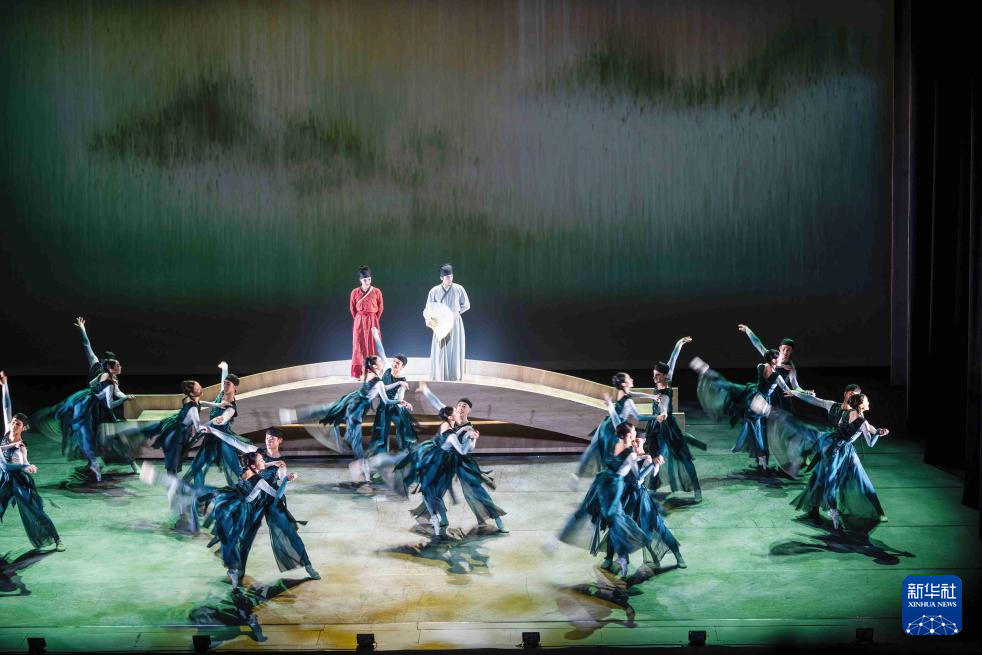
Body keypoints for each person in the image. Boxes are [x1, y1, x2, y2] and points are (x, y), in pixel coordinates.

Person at [200, 451, 319, 588]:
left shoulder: (274, 465)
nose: (268, 442)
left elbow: (271, 475)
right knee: (245, 540)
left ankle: (308, 565)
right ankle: (238, 571)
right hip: (253, 506)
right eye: (261, 459)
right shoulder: (257, 463)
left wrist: (282, 473)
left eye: (272, 440)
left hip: (269, 504)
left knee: (289, 533)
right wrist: (276, 468)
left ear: (279, 441)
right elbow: (260, 468)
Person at [782, 393, 889, 530]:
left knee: (829, 478)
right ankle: (833, 511)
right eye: (867, 401)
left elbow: (840, 426)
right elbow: (870, 443)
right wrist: (878, 434)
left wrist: (873, 430)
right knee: (830, 480)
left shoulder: (846, 413)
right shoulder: (863, 422)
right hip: (839, 449)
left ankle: (831, 509)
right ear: (861, 405)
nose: (868, 402)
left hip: (831, 442)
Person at [560, 421, 650, 581]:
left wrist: (646, 459)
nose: (635, 439)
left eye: (637, 438)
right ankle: (618, 557)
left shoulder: (623, 448)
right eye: (633, 435)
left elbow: (636, 474)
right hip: (612, 488)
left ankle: (618, 558)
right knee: (614, 522)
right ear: (628, 435)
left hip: (614, 488)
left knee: (615, 523)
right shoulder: (626, 452)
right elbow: (633, 471)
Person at [1, 371, 64, 552]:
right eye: (14, 422)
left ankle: (57, 539)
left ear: (23, 428)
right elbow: (6, 406)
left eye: (18, 424)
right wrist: (4, 385)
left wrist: (27, 467)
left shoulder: (21, 448)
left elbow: (15, 465)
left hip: (18, 481)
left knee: (36, 512)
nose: (14, 425)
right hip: (4, 480)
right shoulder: (7, 432)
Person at [644, 336, 703, 501]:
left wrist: (663, 413)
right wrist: (680, 343)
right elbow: (673, 359)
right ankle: (652, 488)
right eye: (653, 374)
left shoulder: (665, 391)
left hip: (668, 427)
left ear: (664, 375)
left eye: (657, 375)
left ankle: (697, 489)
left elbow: (664, 406)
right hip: (656, 427)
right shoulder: (664, 380)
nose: (654, 378)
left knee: (684, 458)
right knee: (656, 457)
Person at [184, 362, 256, 488]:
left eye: (228, 384)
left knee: (234, 470)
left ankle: (250, 489)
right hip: (210, 438)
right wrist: (225, 368)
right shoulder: (222, 394)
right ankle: (198, 493)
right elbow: (224, 379)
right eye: (225, 384)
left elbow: (227, 415)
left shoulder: (232, 406)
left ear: (235, 388)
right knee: (197, 466)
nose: (225, 386)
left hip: (223, 440)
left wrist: (221, 419)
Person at [577, 372, 661, 478]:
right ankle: (619, 476)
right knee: (617, 454)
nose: (632, 379)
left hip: (607, 423)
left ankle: (580, 472)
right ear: (624, 384)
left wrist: (653, 396)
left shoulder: (623, 393)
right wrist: (656, 417)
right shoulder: (628, 401)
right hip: (616, 425)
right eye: (629, 379)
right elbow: (638, 417)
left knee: (595, 447)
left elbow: (636, 394)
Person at [368, 327, 419, 455]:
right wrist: (376, 336)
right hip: (383, 406)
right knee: (382, 431)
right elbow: (381, 351)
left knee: (401, 431)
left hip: (394, 406)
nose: (395, 364)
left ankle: (404, 455)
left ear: (402, 366)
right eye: (395, 361)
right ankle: (381, 456)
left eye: (398, 363)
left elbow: (399, 398)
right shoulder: (387, 368)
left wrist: (403, 403)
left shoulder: (403, 381)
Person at [737, 324, 804, 411]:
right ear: (780, 348)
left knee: (787, 413)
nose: (785, 352)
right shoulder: (772, 355)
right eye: (784, 349)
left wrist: (803, 391)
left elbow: (795, 386)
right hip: (767, 391)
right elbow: (758, 344)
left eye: (788, 350)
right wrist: (748, 330)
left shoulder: (791, 367)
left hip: (782, 392)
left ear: (791, 351)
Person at [423, 263, 470, 381]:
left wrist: (455, 314)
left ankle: (454, 375)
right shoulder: (434, 291)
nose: (450, 279)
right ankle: (439, 374)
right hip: (441, 323)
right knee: (440, 348)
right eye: (448, 277)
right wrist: (432, 320)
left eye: (452, 276)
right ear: (441, 278)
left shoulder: (459, 288)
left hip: (455, 322)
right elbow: (429, 308)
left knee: (455, 347)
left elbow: (466, 305)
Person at [350, 266, 384, 379]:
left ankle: (374, 371)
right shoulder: (355, 292)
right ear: (360, 280)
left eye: (369, 279)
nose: (367, 282)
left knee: (373, 343)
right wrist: (359, 318)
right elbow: (352, 309)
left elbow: (380, 307)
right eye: (365, 280)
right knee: (358, 345)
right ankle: (358, 373)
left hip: (373, 319)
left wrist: (374, 318)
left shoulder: (377, 291)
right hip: (359, 321)